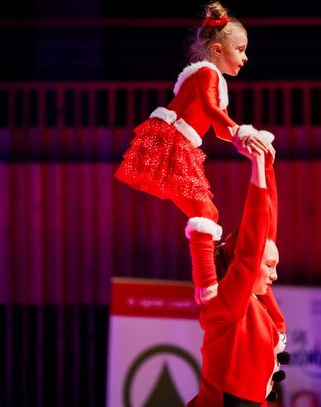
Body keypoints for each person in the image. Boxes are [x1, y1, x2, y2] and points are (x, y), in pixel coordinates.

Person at [114, 1, 274, 304]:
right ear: (217, 50)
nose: (245, 57)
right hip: (172, 144)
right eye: (240, 50)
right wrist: (243, 132)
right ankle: (207, 288)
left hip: (180, 145)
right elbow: (213, 112)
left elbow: (220, 128)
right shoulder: (206, 74)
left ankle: (208, 285)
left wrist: (247, 143)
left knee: (208, 213)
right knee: (205, 212)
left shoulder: (213, 78)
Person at [187, 136, 288, 407]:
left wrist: (266, 167)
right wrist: (256, 164)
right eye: (269, 266)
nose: (275, 275)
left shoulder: (257, 299)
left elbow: (265, 229)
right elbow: (251, 247)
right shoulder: (230, 304)